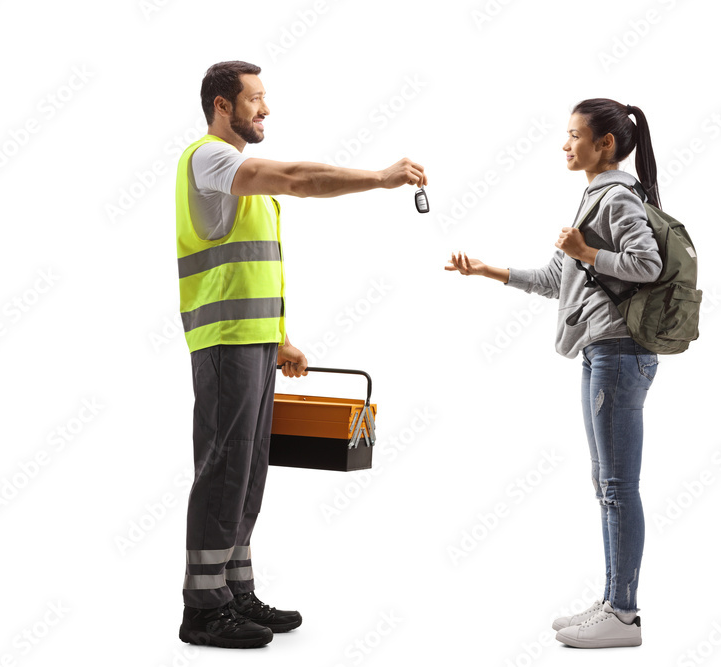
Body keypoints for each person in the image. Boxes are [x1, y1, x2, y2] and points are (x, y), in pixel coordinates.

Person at [176, 60, 427, 649]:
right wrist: (380, 177)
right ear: (222, 105)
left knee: (249, 467)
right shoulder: (210, 158)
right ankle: (203, 608)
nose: (265, 109)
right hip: (224, 341)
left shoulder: (241, 181)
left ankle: (235, 590)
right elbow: (296, 177)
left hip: (254, 339)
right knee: (223, 466)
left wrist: (280, 336)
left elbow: (254, 264)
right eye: (255, 100)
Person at [445, 98, 661, 649]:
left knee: (617, 487)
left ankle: (624, 613)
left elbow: (647, 265)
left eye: (573, 135)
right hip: (602, 351)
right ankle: (615, 602)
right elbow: (555, 280)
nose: (565, 145)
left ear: (604, 143)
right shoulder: (594, 196)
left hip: (618, 352)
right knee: (606, 485)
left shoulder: (615, 197)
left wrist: (587, 249)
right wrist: (486, 270)